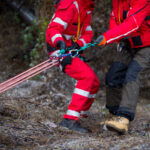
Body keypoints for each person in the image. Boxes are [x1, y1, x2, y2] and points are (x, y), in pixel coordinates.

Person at [95, 0, 150, 134]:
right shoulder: (117, 1)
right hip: (128, 44)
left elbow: (133, 24)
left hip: (147, 45)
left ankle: (124, 118)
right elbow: (115, 18)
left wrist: (107, 37)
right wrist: (117, 39)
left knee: (133, 74)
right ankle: (114, 116)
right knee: (113, 75)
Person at [46, 0, 100, 133]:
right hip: (59, 49)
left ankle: (81, 114)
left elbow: (87, 33)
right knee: (86, 77)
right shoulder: (71, 4)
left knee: (94, 82)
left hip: (71, 49)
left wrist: (78, 45)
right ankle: (70, 120)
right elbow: (53, 29)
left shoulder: (87, 6)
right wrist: (60, 44)